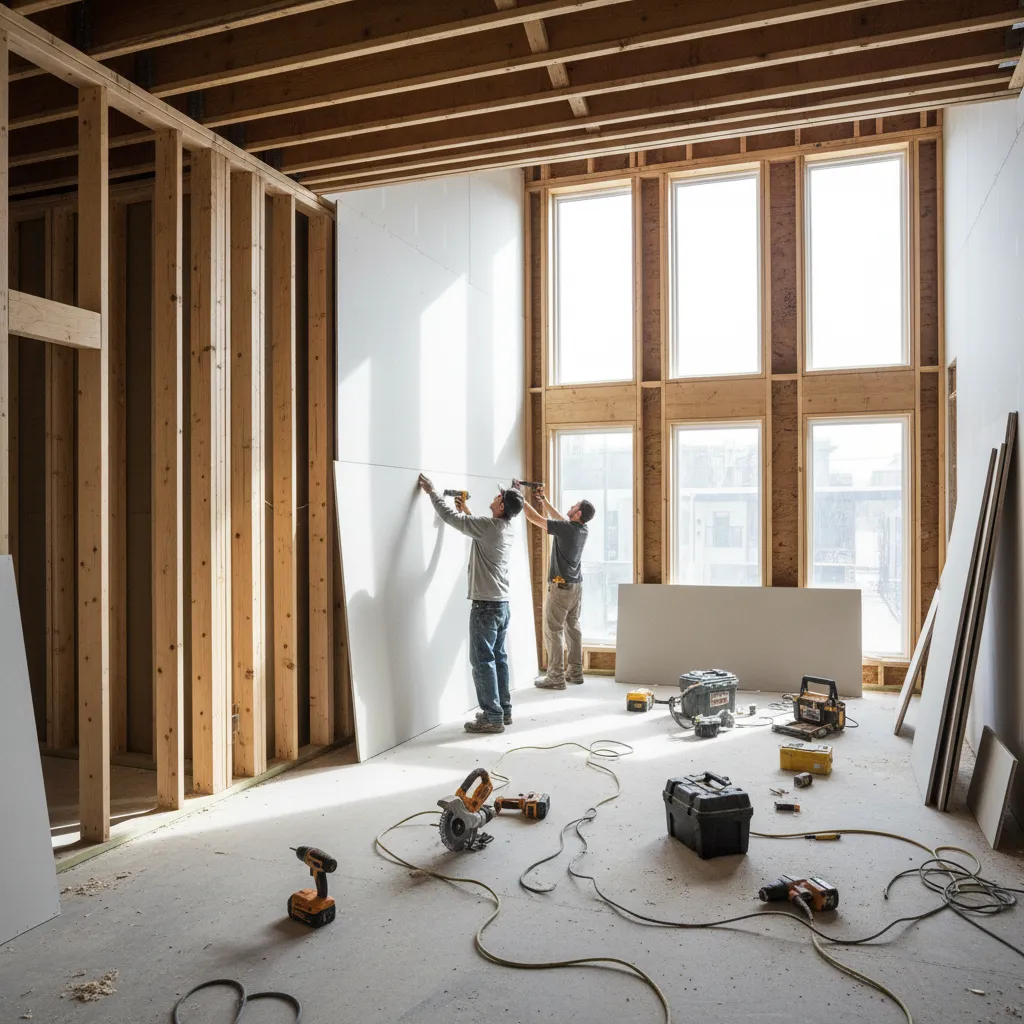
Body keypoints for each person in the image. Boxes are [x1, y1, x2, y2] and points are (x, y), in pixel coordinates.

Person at [417, 474, 525, 733]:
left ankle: (492, 717)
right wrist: (467, 511)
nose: (495, 497)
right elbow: (483, 529)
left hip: (485, 606)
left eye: (499, 496)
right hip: (501, 605)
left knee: (482, 661)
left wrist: (432, 492)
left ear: (501, 506)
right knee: (498, 659)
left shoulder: (488, 527)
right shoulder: (505, 528)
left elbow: (450, 518)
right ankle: (503, 710)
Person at [519, 483, 595, 690]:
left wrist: (519, 498)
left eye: (574, 506)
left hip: (561, 588)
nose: (570, 507)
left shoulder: (567, 529)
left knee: (553, 631)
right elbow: (561, 519)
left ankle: (555, 677)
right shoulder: (581, 529)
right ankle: (575, 672)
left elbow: (535, 518)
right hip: (576, 587)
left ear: (578, 513)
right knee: (573, 628)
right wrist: (544, 501)